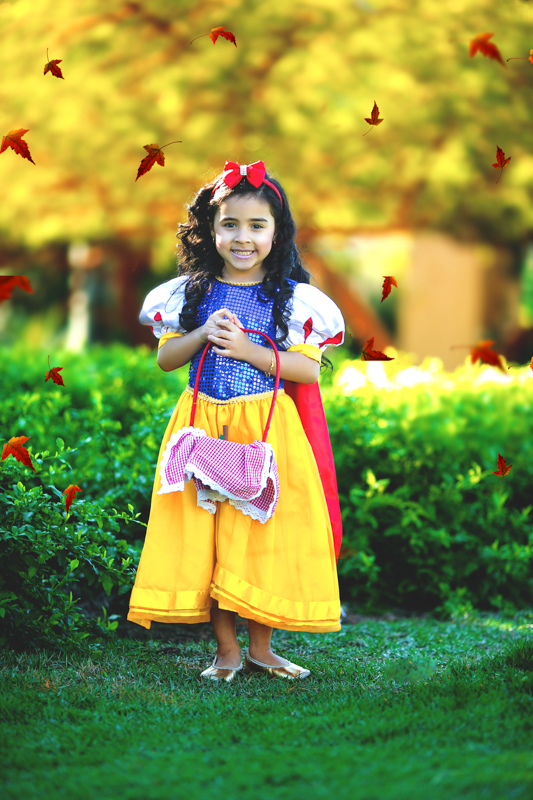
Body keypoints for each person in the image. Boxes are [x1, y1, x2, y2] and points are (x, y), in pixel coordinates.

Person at [127, 160, 345, 682]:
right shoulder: (188, 294)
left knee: (261, 532)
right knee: (213, 534)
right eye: (230, 224)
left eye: (256, 225)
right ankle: (226, 652)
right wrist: (201, 333)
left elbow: (306, 371)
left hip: (265, 430)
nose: (242, 237)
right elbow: (166, 358)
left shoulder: (291, 299)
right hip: (201, 426)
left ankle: (262, 649)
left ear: (277, 233)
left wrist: (249, 350)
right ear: (210, 230)